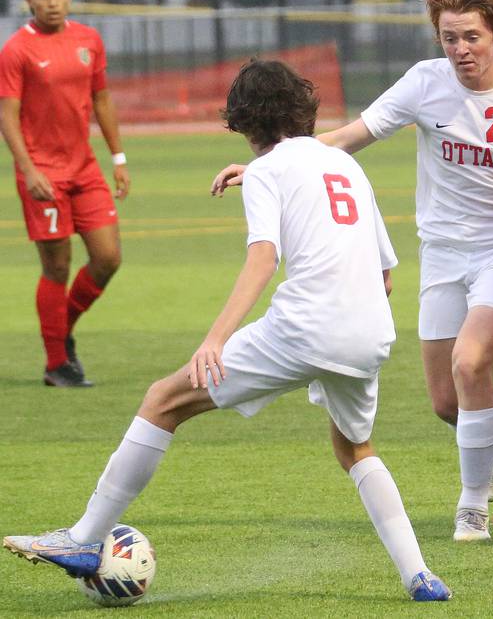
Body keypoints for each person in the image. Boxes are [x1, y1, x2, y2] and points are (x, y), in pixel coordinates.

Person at [3, 60, 451, 602]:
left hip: (307, 326)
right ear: (302, 111)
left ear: (243, 122)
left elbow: (264, 257)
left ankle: (83, 538)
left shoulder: (266, 172)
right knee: (355, 446)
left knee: (163, 400)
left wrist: (214, 338)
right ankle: (420, 576)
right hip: (370, 332)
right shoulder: (343, 165)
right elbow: (384, 273)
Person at [213, 0, 493, 542]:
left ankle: (473, 509)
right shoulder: (426, 83)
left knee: (471, 363)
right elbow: (350, 136)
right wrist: (268, 166)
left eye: (471, 36)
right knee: (448, 402)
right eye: (448, 38)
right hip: (444, 252)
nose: (460, 50)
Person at [0, 0, 130, 387]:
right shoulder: (17, 50)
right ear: (30, 0)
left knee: (108, 258)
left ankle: (61, 329)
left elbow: (102, 99)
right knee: (57, 267)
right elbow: (8, 116)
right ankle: (57, 364)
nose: (52, 2)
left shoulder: (88, 40)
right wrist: (28, 170)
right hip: (43, 175)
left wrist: (118, 158)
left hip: (85, 168)